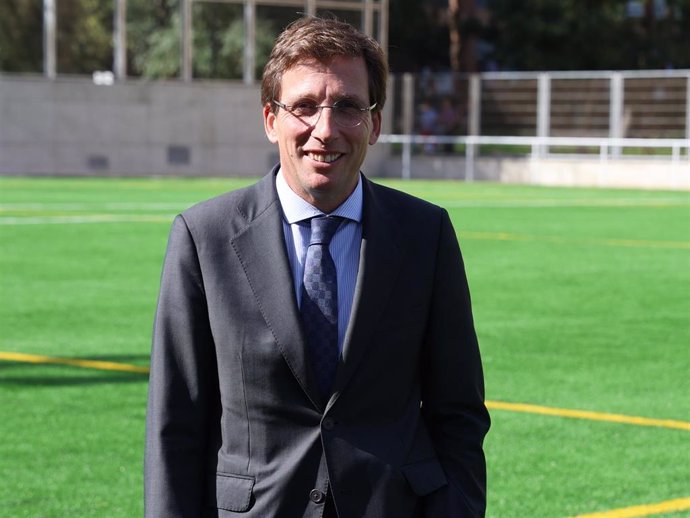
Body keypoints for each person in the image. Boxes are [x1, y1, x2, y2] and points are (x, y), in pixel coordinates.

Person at [145, 16, 490, 518]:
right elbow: (175, 422)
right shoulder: (205, 236)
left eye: (347, 106)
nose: (324, 130)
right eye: (304, 106)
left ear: (373, 124)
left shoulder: (425, 233)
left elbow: (457, 411)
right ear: (271, 119)